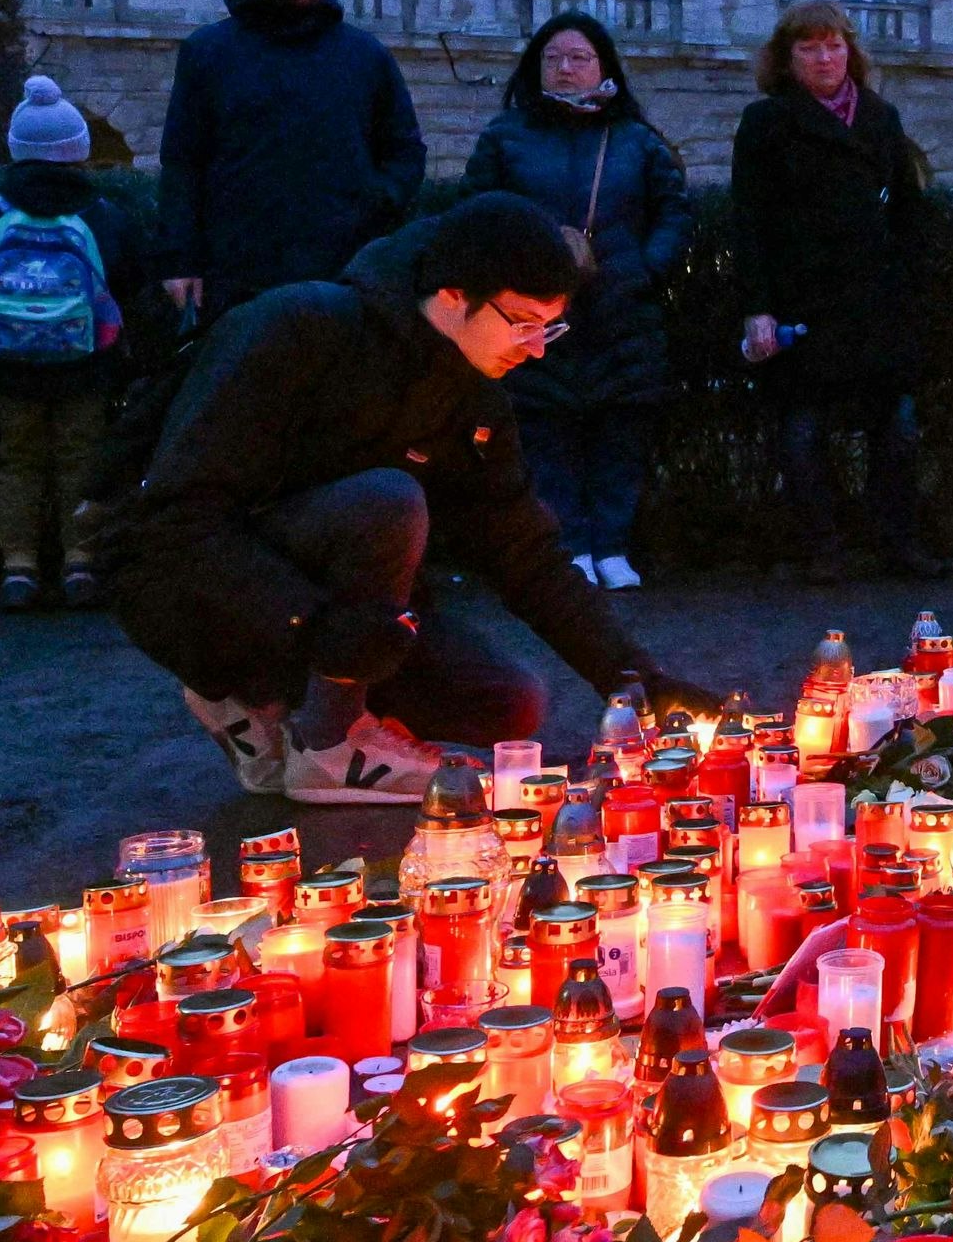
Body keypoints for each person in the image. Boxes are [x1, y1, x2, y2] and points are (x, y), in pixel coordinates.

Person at [91, 192, 721, 802]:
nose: (534, 349)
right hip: (189, 585)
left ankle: (261, 708)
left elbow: (522, 550)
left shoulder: (474, 394)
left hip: (330, 615)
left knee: (510, 702)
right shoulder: (299, 329)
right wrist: (310, 624)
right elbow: (173, 524)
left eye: (548, 330)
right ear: (453, 297)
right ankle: (329, 747)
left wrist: (636, 681)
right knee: (389, 502)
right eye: (523, 324)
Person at [465, 14, 690, 590]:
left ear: (604, 65)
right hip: (533, 312)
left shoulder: (637, 140)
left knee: (619, 431)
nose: (565, 68)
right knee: (546, 434)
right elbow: (477, 213)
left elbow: (671, 211)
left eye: (578, 57)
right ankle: (570, 546)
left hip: (621, 307)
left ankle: (613, 546)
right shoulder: (505, 136)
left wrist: (645, 267)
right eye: (553, 58)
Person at [731, 0, 942, 584]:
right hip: (803, 300)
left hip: (877, 300)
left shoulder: (880, 117)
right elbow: (748, 220)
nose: (825, 58)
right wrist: (758, 308)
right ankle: (821, 550)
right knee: (802, 431)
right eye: (809, 48)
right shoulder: (765, 122)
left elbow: (909, 209)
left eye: (834, 45)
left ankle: (899, 543)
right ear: (786, 58)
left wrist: (909, 283)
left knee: (895, 429)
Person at [154, 0, 426, 323]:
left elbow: (405, 151)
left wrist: (373, 200)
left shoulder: (365, 56)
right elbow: (182, 162)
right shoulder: (209, 52)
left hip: (344, 269)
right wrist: (181, 259)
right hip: (239, 272)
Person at [0, 76, 146, 611]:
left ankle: (19, 568)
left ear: (17, 148)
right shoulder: (101, 215)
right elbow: (128, 284)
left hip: (6, 364)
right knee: (81, 456)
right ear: (78, 149)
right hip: (85, 361)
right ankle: (79, 564)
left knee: (17, 460)